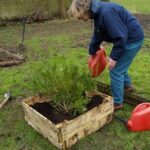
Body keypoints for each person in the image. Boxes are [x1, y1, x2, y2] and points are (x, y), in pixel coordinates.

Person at [69, 0, 144, 110]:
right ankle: (127, 86)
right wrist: (92, 51)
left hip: (132, 39)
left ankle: (117, 102)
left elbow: (120, 37)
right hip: (127, 39)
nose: (80, 19)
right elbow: (98, 33)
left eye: (80, 17)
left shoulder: (106, 13)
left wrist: (113, 58)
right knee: (121, 65)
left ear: (84, 10)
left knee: (115, 70)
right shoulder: (97, 13)